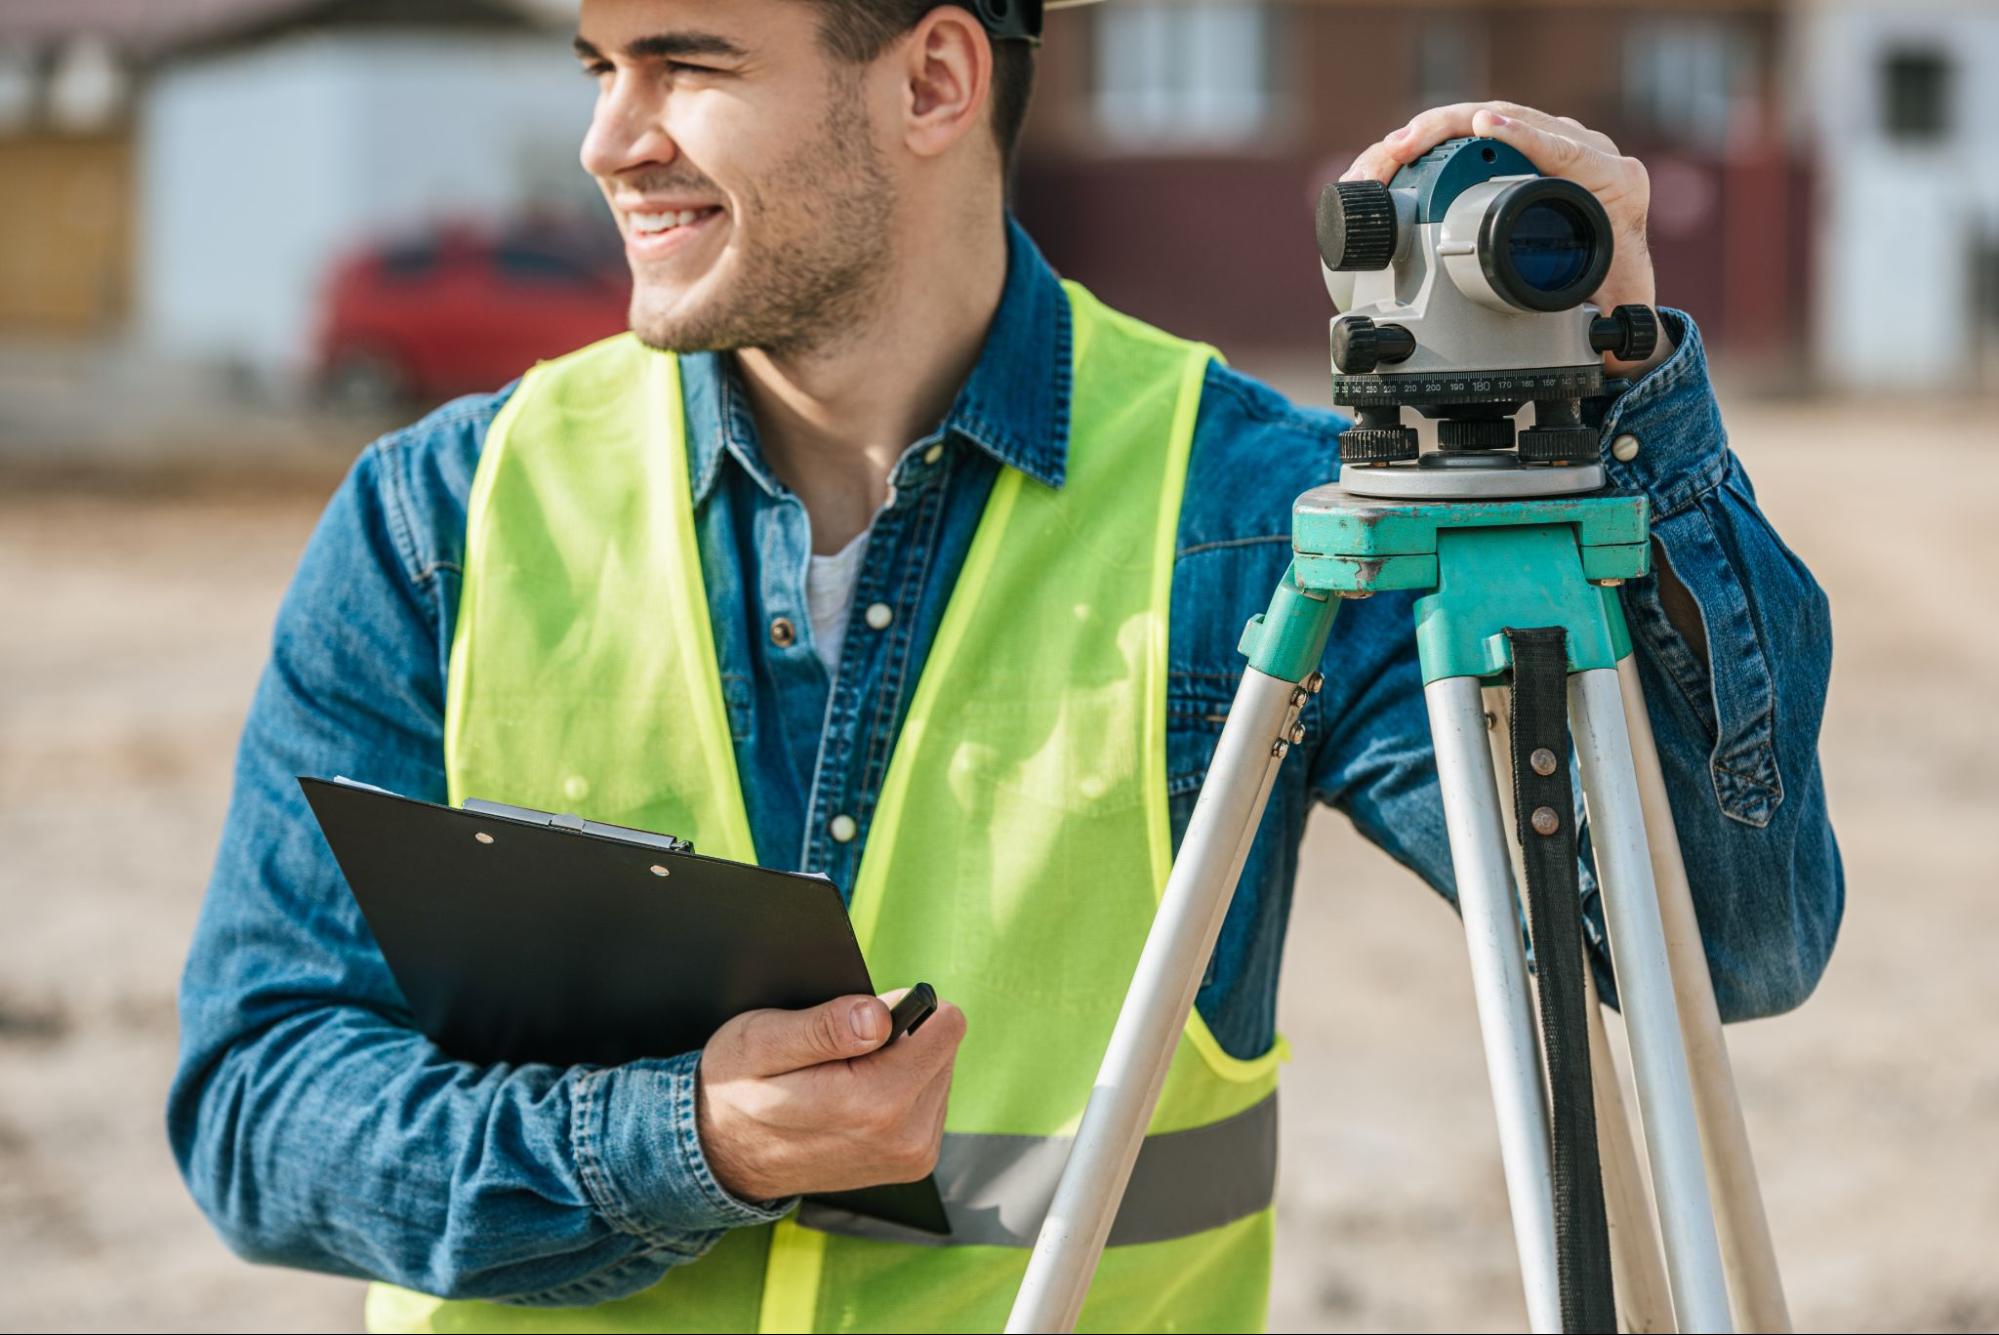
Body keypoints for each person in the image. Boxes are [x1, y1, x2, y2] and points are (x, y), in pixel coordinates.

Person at [168, 1, 1844, 1330]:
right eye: (601, 66)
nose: (612, 139)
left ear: (933, 81)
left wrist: (1627, 416)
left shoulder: (1248, 520)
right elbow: (257, 1110)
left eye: (688, 62)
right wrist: (684, 1143)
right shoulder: (444, 517)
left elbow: (1726, 946)